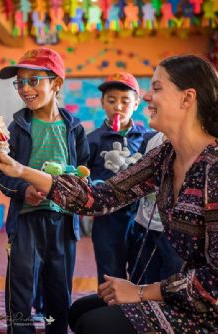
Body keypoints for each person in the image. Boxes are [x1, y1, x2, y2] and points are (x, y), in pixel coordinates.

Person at [0, 54, 218, 333]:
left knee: (92, 324)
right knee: (80, 311)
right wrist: (19, 170)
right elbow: (99, 198)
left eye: (157, 88)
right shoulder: (165, 156)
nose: (147, 97)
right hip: (188, 294)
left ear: (187, 98)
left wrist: (140, 291)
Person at [0, 47, 90, 333]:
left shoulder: (74, 129)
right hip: (26, 219)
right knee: (21, 288)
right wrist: (24, 190)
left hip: (62, 221)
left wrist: (79, 186)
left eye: (33, 80)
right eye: (20, 82)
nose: (24, 88)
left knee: (58, 291)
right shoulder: (18, 125)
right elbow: (2, 174)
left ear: (56, 84)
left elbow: (83, 171)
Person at [87, 71, 150, 284]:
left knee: (142, 274)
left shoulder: (147, 138)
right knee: (109, 274)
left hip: (140, 218)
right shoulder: (92, 140)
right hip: (107, 219)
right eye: (112, 101)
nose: (118, 107)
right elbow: (82, 176)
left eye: (125, 101)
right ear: (103, 102)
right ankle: (109, 315)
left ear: (136, 103)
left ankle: (139, 317)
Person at [126, 132, 183, 284]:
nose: (150, 108)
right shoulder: (150, 139)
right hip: (146, 224)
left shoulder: (188, 141)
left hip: (173, 229)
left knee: (171, 275)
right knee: (147, 276)